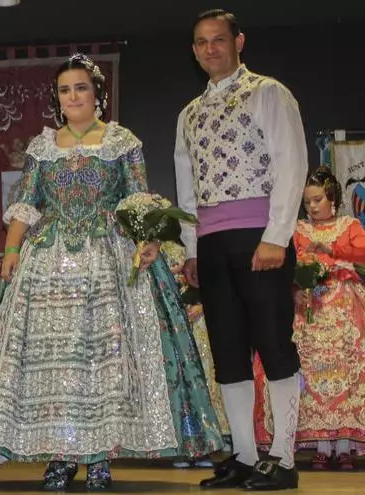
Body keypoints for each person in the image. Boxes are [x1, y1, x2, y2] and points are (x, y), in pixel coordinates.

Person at [0, 54, 223, 491]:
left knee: (103, 359)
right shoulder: (43, 147)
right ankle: (60, 455)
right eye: (65, 90)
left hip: (108, 260)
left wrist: (148, 240)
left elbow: (137, 198)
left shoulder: (121, 141)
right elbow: (26, 202)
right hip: (50, 262)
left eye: (80, 87)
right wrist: (12, 248)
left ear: (97, 92)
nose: (73, 96)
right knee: (57, 360)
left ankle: (101, 455)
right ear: (57, 98)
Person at [173, 9, 308, 490]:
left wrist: (276, 236)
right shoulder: (189, 114)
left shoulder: (268, 93)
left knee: (273, 343)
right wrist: (192, 247)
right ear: (194, 50)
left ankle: (284, 459)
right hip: (212, 244)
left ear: (239, 42)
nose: (210, 49)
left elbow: (291, 163)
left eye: (218, 39)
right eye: (201, 42)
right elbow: (186, 185)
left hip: (259, 239)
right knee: (228, 352)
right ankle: (246, 457)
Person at [252, 166, 365, 470]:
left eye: (318, 200)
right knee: (312, 376)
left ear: (332, 198)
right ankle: (321, 446)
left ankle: (344, 446)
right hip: (309, 312)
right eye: (307, 202)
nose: (313, 207)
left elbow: (363, 252)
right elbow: (285, 268)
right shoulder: (298, 230)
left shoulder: (349, 225)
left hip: (344, 310)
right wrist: (294, 291)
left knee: (346, 374)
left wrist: (333, 249)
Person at [161, 241, 233, 469]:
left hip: (199, 323)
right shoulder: (152, 245)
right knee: (176, 380)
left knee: (201, 378)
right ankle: (181, 445)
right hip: (169, 322)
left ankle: (208, 441)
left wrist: (202, 304)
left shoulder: (193, 245)